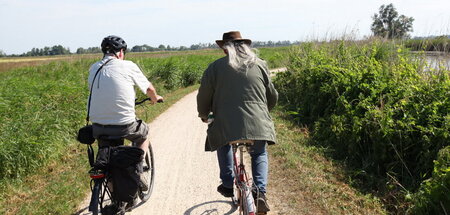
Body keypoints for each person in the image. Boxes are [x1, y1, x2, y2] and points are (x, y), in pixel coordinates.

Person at [197, 31, 278, 212]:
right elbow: (272, 96)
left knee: (223, 141)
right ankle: (260, 193)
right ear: (245, 47)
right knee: (259, 153)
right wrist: (264, 112)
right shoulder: (260, 64)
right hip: (258, 121)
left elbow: (204, 95)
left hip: (226, 122)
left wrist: (204, 114)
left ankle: (227, 184)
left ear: (225, 49)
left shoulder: (215, 67)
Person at [87, 35, 163, 212]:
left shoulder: (94, 68)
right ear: (120, 52)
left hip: (98, 126)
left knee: (108, 157)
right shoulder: (128, 66)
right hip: (124, 125)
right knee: (144, 133)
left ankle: (116, 201)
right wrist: (155, 98)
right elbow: (150, 89)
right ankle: (137, 165)